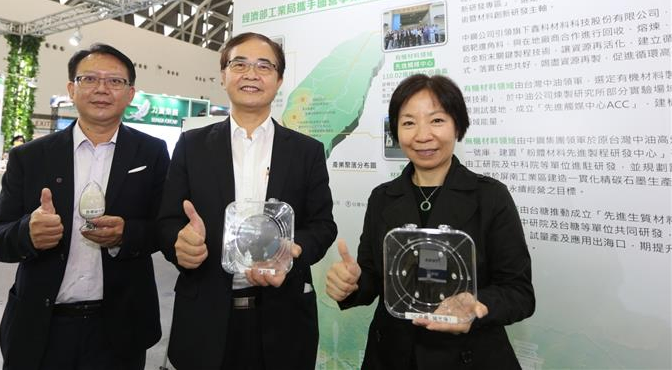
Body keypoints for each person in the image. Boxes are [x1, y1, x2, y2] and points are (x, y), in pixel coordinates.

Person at [326, 74, 534, 369]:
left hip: (467, 356)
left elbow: (519, 293)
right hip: (392, 355)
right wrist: (352, 283)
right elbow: (372, 277)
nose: (423, 135)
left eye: (437, 120)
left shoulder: (490, 197)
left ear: (457, 126)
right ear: (396, 131)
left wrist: (475, 305)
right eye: (409, 122)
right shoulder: (383, 198)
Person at [157, 32, 337, 370]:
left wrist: (293, 251)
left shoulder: (306, 151)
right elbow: (167, 221)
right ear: (223, 75)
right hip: (206, 315)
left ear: (279, 80)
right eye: (239, 64)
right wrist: (179, 244)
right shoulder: (191, 145)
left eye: (264, 66)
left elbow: (323, 225)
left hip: (283, 317)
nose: (251, 74)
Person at [0, 43, 169, 370]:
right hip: (43, 324)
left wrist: (127, 234)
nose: (102, 89)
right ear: (72, 89)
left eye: (115, 81)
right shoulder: (30, 157)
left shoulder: (151, 153)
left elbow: (164, 227)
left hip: (119, 325)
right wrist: (27, 233)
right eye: (90, 79)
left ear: (130, 94)